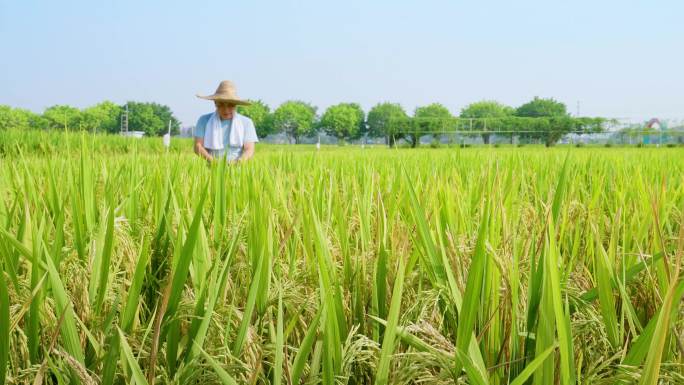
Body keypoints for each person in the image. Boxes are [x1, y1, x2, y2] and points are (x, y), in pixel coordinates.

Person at [193, 80, 258, 163]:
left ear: (236, 105)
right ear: (215, 103)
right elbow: (198, 146)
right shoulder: (204, 120)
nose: (226, 110)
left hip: (238, 169)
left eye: (230, 105)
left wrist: (239, 162)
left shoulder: (246, 123)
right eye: (221, 105)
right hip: (211, 169)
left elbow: (249, 149)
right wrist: (213, 162)